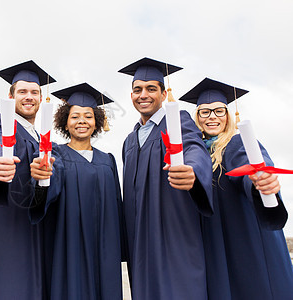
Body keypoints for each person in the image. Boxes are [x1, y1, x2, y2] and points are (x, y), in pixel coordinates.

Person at [180, 77, 293, 300]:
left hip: (246, 240)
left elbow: (251, 168)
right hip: (216, 241)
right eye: (205, 112)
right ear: (197, 117)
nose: (212, 117)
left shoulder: (236, 143)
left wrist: (261, 183)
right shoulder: (197, 153)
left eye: (219, 111)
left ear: (229, 115)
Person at [118, 57, 213, 299]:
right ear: (131, 96)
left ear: (163, 93)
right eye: (137, 89)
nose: (143, 95)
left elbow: (194, 147)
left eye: (151, 88)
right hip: (139, 237)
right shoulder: (130, 140)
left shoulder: (177, 121)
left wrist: (193, 170)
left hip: (172, 232)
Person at [29, 83, 125, 299]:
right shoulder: (55, 154)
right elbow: (48, 185)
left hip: (105, 248)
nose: (82, 121)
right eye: (75, 116)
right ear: (65, 121)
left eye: (88, 116)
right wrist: (42, 176)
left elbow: (117, 207)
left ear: (97, 122)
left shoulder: (108, 160)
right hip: (69, 245)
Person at [0, 60, 56, 299]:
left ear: (41, 98)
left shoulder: (42, 136)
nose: (29, 97)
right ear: (10, 96)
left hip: (34, 228)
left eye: (34, 92)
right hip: (7, 230)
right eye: (22, 91)